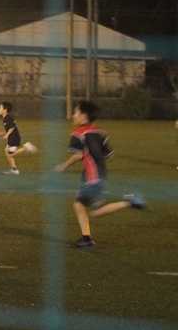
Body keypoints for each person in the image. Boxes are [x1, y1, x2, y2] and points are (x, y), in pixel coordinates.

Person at [56, 100, 144, 248]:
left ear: (84, 116)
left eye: (76, 112)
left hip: (91, 176)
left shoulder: (77, 134)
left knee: (87, 208)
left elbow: (78, 155)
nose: (73, 115)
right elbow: (109, 155)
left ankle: (130, 201)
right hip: (101, 174)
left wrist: (63, 166)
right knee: (81, 206)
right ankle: (87, 238)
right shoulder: (100, 132)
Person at [0, 102, 37, 175]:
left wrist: (7, 135)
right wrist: (3, 133)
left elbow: (12, 127)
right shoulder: (6, 118)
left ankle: (26, 147)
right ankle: (14, 169)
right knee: (7, 151)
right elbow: (10, 128)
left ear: (5, 110)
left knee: (10, 154)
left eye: (0, 108)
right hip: (12, 137)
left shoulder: (7, 118)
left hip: (14, 138)